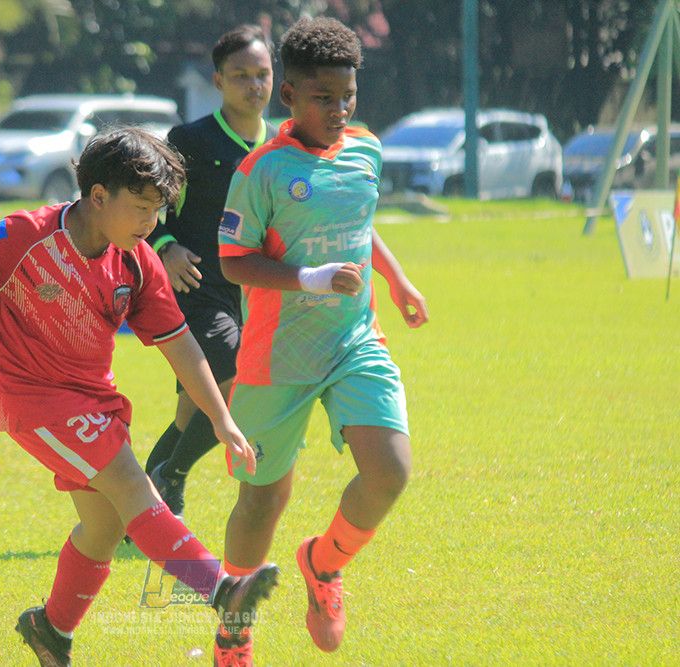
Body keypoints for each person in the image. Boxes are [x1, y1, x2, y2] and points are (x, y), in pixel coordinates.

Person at [0, 128, 279, 667]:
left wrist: (220, 418)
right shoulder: (29, 234)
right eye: (142, 208)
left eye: (158, 210)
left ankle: (50, 630)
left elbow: (179, 343)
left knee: (104, 527)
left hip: (91, 396)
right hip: (29, 396)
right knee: (131, 484)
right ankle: (222, 590)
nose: (152, 223)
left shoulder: (137, 261)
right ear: (98, 195)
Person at [215, 17, 429, 660]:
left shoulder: (367, 150)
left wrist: (396, 279)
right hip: (277, 356)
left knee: (390, 471)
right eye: (323, 97)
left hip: (354, 340)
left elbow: (359, 221)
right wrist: (309, 277)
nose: (339, 110)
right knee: (263, 500)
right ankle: (233, 632)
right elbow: (233, 260)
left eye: (348, 96)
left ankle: (324, 564)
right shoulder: (261, 170)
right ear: (290, 96)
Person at [143, 25, 279, 519]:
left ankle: (139, 509)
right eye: (240, 75)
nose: (254, 85)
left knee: (191, 410)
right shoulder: (190, 140)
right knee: (237, 378)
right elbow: (146, 206)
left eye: (262, 74)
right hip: (195, 288)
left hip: (252, 294)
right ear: (218, 80)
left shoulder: (281, 145)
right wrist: (166, 246)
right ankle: (172, 477)